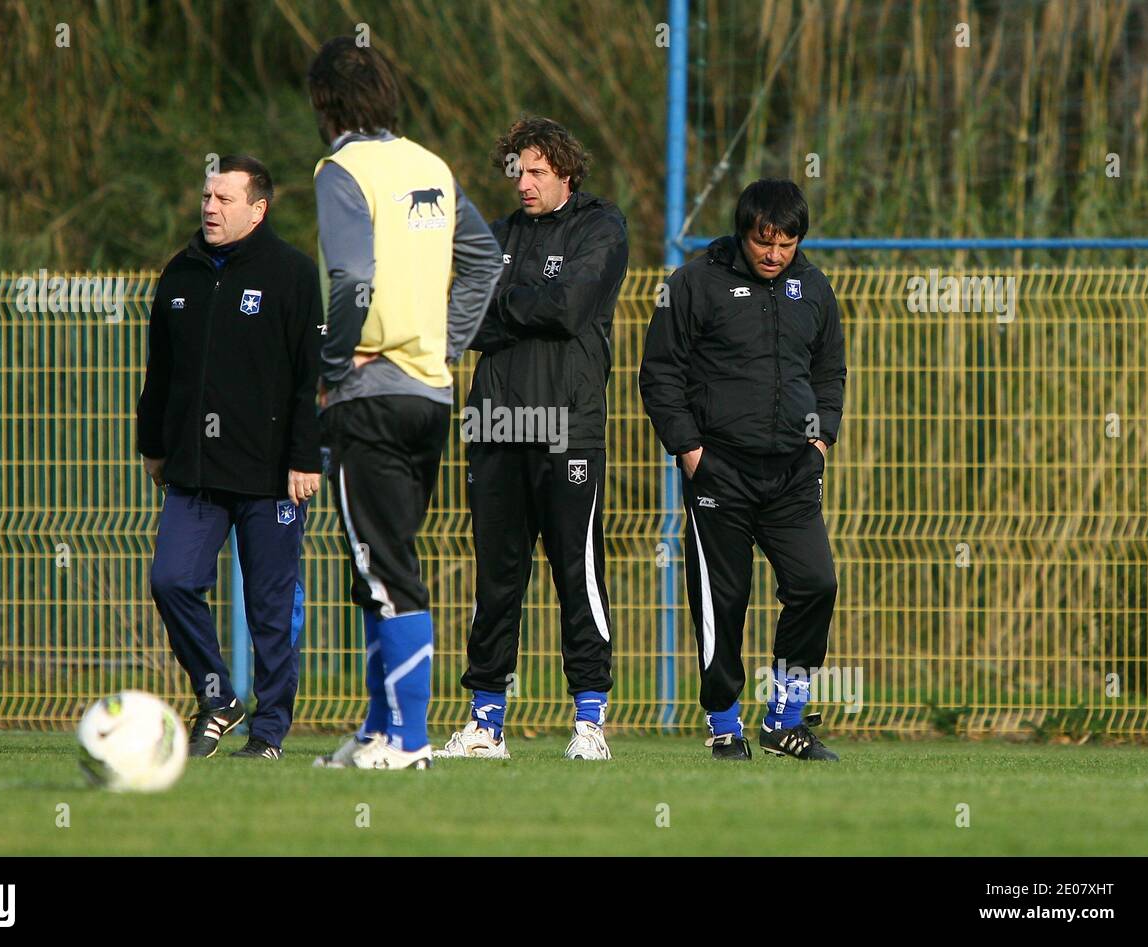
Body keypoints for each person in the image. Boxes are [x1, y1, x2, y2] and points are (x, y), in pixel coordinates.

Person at [306, 37, 503, 770]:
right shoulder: (432, 167)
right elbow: (484, 259)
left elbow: (352, 278)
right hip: (429, 396)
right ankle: (379, 732)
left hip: (371, 395)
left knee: (385, 569)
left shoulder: (342, 170)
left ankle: (411, 744)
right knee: (376, 569)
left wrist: (333, 363)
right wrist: (442, 345)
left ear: (324, 105)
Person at [435, 116, 628, 761]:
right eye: (517, 169)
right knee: (497, 580)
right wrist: (525, 302)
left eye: (538, 171)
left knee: (578, 577)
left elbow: (572, 307)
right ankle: (486, 722)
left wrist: (507, 304)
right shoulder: (495, 236)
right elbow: (462, 320)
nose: (524, 182)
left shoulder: (602, 226)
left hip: (568, 429)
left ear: (566, 171)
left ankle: (590, 723)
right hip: (494, 427)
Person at [639, 179, 846, 762]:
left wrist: (822, 437)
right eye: (763, 242)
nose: (774, 254)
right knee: (723, 601)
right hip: (718, 471)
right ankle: (724, 722)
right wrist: (688, 449)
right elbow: (660, 373)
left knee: (815, 585)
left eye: (786, 243)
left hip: (794, 473)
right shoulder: (695, 283)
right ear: (743, 232)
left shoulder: (814, 287)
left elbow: (830, 369)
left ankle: (786, 718)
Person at [138, 154, 323, 761]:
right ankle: (217, 697)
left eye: (224, 199)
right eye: (207, 197)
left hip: (271, 474)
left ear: (257, 209)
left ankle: (268, 733)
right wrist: (154, 446)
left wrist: (305, 458)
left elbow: (308, 377)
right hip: (193, 470)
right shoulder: (181, 273)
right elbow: (160, 370)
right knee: (171, 579)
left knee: (270, 611)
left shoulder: (292, 272)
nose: (210, 208)